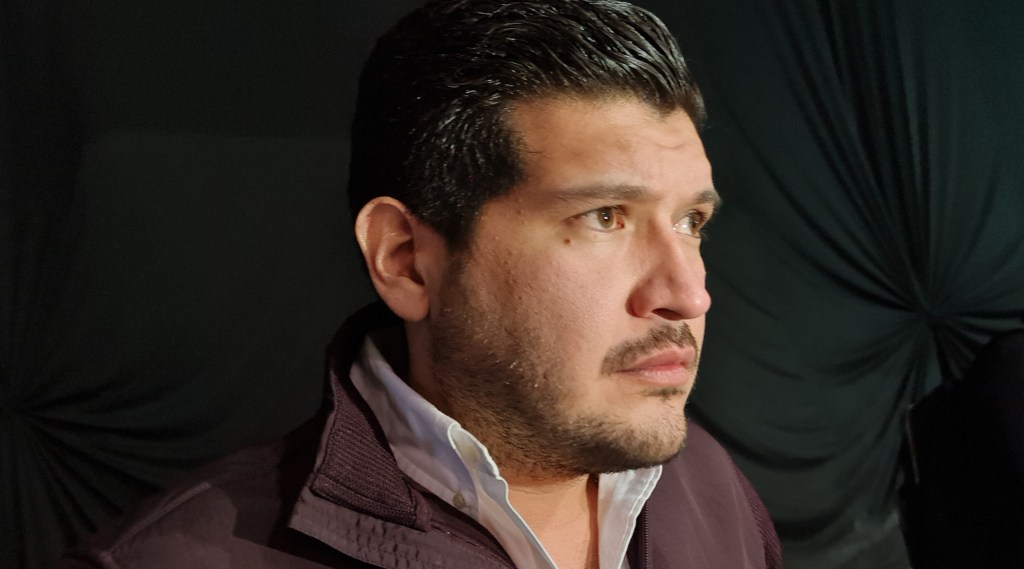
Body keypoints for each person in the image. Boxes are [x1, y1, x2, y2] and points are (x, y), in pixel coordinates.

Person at [58, 1, 782, 568]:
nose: (688, 294)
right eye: (604, 217)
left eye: (691, 221)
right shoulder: (172, 559)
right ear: (404, 259)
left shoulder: (708, 486)